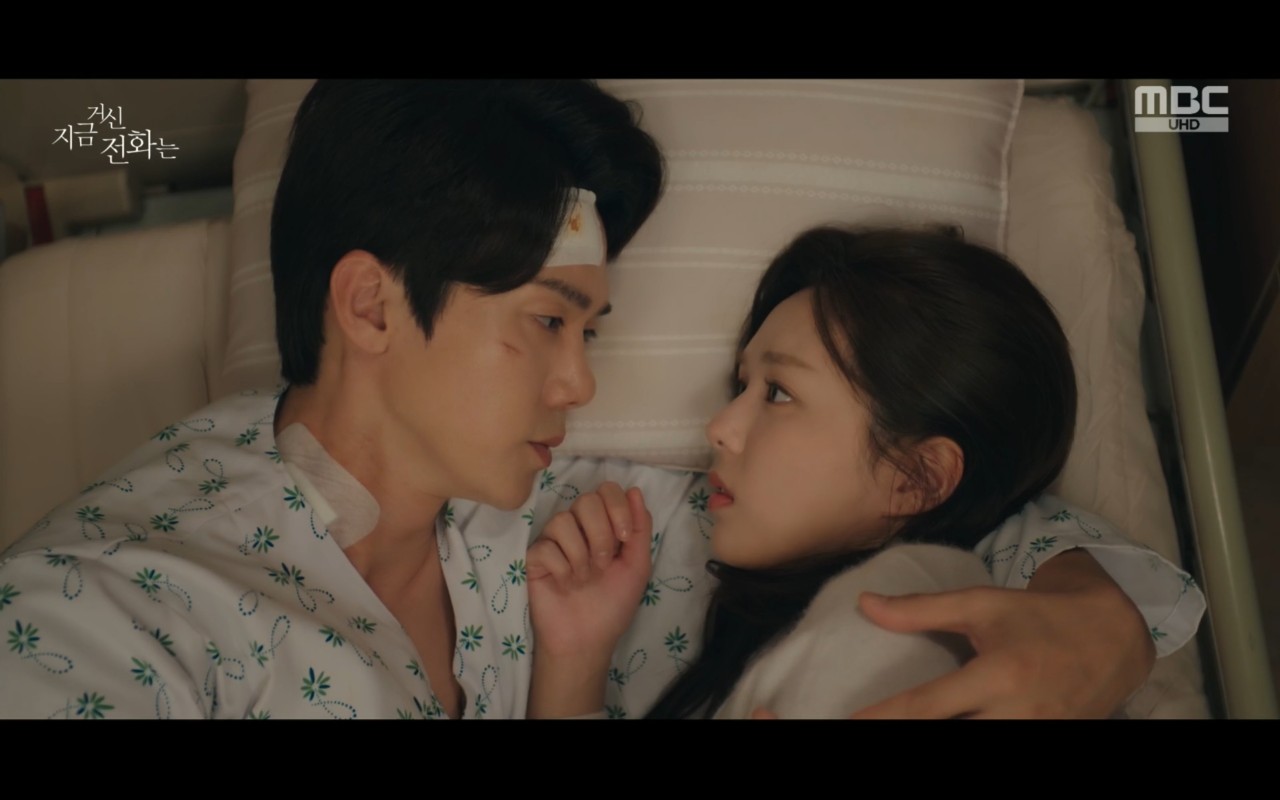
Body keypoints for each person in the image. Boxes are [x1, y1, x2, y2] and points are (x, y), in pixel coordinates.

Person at [0, 81, 1200, 719]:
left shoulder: (594, 522)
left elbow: (976, 516)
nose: (582, 385)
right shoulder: (118, 598)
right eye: (546, 322)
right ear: (368, 306)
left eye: (591, 332)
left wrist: (1095, 615)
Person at [523, 226, 1204, 719]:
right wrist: (575, 666)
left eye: (778, 393)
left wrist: (1102, 624)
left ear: (916, 478)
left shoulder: (964, 594)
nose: (719, 428)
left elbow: (1077, 590)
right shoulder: (664, 553)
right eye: (741, 385)